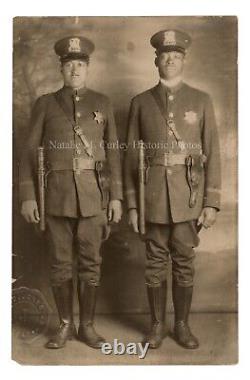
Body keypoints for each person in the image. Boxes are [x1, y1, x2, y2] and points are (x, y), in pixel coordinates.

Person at [19, 36, 123, 349]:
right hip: (56, 197)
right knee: (60, 262)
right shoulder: (46, 104)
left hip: (94, 196)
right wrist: (27, 195)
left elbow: (113, 152)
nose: (75, 69)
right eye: (69, 64)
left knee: (91, 261)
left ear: (88, 68)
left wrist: (116, 196)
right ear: (61, 69)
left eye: (80, 64)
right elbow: (28, 153)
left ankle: (87, 326)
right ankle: (65, 325)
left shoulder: (102, 103)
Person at [124, 29, 221, 349]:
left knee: (183, 260)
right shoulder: (140, 102)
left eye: (176, 56)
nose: (170, 60)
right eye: (165, 55)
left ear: (183, 60)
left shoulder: (201, 100)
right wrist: (134, 205)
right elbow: (129, 160)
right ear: (156, 60)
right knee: (154, 261)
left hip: (188, 196)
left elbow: (213, 153)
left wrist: (211, 202)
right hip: (152, 197)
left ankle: (181, 325)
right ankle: (156, 325)